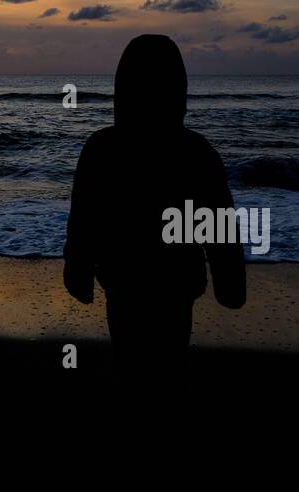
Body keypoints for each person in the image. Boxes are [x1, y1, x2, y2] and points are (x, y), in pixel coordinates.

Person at [64, 34, 245, 374]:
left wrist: (78, 272)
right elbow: (221, 231)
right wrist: (230, 283)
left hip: (124, 278)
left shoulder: (101, 149)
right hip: (174, 282)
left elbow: (83, 221)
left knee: (128, 358)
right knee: (170, 360)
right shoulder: (197, 154)